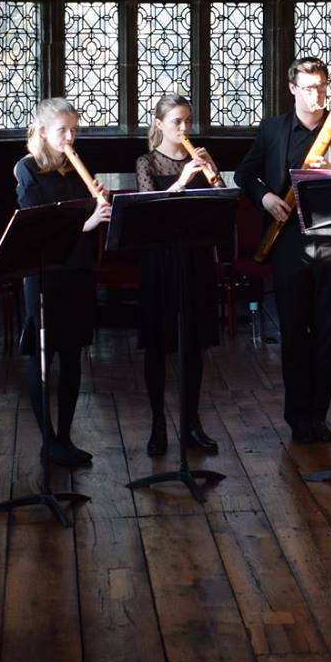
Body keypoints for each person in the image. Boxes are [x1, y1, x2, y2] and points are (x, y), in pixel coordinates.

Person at [235, 57, 331, 444]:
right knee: (294, 333)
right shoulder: (274, 129)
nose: (317, 95)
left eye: (322, 87)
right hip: (288, 240)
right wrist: (266, 198)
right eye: (308, 88)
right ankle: (297, 418)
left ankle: (319, 417)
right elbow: (245, 173)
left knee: (327, 334)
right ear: (292, 89)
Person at [14, 99, 110, 467]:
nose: (70, 137)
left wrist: (98, 204)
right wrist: (85, 223)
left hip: (78, 269)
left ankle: (66, 438)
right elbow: (36, 223)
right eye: (62, 131)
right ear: (41, 131)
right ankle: (48, 440)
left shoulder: (76, 167)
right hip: (45, 274)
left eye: (74, 130)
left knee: (73, 356)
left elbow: (88, 216)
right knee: (43, 357)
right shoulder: (27, 169)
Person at [133, 95, 222, 457]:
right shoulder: (147, 162)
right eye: (176, 122)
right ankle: (158, 424)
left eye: (187, 120)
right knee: (158, 345)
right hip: (161, 261)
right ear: (158, 125)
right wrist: (183, 180)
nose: (184, 129)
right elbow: (148, 209)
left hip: (196, 258)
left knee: (193, 345)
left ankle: (191, 423)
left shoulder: (199, 159)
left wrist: (214, 179)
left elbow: (223, 204)